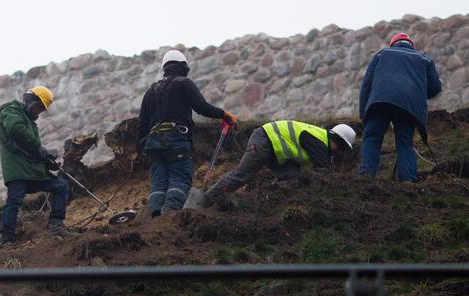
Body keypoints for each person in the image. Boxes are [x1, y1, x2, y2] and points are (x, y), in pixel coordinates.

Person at [136, 49, 238, 217]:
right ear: (183, 66)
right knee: (180, 177)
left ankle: (154, 216)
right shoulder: (183, 83)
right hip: (175, 138)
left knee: (158, 182)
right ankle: (169, 213)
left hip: (153, 143)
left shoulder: (151, 91)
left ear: (165, 68)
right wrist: (223, 114)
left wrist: (138, 149)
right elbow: (201, 107)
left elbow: (143, 123)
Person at [202, 121, 357, 206]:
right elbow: (323, 172)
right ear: (337, 141)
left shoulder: (320, 140)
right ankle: (205, 199)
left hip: (277, 152)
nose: (338, 153)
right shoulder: (319, 142)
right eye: (340, 148)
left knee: (293, 178)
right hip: (264, 139)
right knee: (243, 175)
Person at [358, 33, 442, 181]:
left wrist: (363, 113)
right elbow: (435, 87)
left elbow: (366, 85)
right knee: (405, 142)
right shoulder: (424, 59)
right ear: (411, 46)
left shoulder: (382, 54)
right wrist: (414, 97)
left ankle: (366, 177)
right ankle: (408, 181)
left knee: (372, 137)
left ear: (393, 44)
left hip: (379, 102)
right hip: (408, 107)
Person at [0, 86, 72, 246]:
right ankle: (6, 239)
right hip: (18, 171)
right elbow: (16, 130)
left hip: (33, 171)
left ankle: (56, 226)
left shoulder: (29, 122)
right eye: (38, 107)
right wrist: (40, 149)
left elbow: (30, 150)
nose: (38, 112)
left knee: (61, 186)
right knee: (14, 201)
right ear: (29, 100)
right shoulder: (11, 111)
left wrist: (47, 162)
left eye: (41, 110)